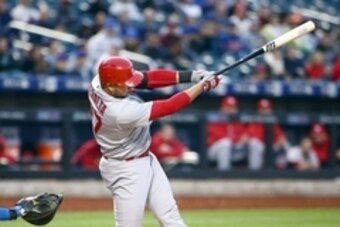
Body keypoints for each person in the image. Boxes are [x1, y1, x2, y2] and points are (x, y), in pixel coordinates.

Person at [89, 56, 221, 226]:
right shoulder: (120, 113)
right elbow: (170, 106)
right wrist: (202, 86)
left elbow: (148, 79)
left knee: (171, 218)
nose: (131, 88)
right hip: (125, 170)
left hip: (144, 158)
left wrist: (192, 76)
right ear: (110, 86)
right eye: (126, 85)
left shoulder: (98, 82)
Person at [206, 96, 249, 170]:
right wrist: (238, 139)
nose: (230, 110)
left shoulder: (237, 121)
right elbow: (222, 138)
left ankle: (254, 175)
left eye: (233, 108)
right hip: (214, 151)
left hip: (235, 149)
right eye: (228, 107)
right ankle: (224, 174)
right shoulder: (216, 120)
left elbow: (245, 135)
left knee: (252, 143)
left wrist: (245, 138)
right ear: (222, 108)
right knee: (225, 143)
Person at [247, 98, 290, 169]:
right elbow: (251, 137)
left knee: (286, 144)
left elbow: (280, 136)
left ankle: (281, 170)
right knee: (254, 143)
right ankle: (255, 170)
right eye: (262, 109)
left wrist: (281, 140)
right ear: (259, 110)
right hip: (260, 147)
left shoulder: (274, 122)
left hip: (272, 146)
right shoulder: (254, 122)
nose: (265, 111)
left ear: (271, 110)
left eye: (267, 109)